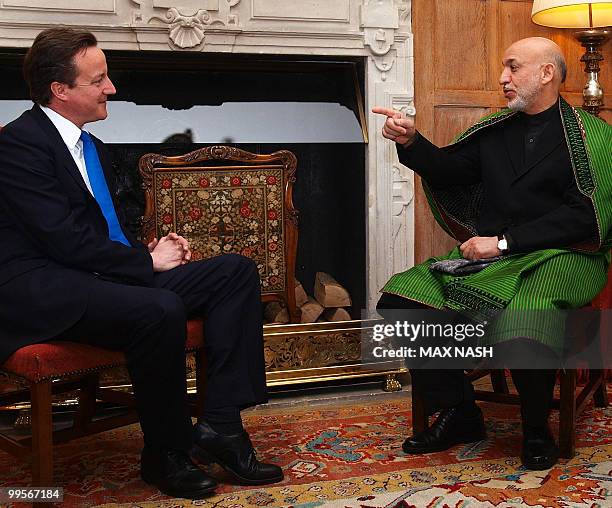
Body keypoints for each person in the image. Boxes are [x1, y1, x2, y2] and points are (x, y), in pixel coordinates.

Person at [0, 27, 283, 499]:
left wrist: (148, 249)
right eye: (99, 80)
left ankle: (221, 426)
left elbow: (100, 228)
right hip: (41, 286)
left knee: (234, 271)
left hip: (99, 276)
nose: (111, 88)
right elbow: (62, 241)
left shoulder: (91, 147)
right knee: (159, 310)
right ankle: (164, 454)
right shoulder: (17, 146)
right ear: (60, 90)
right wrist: (146, 263)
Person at [373, 37, 611, 470]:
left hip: (567, 255)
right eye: (504, 68)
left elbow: (587, 218)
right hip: (497, 258)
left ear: (546, 74)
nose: (502, 77)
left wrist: (502, 243)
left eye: (513, 67)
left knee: (527, 312)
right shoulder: (495, 131)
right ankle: (460, 411)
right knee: (400, 299)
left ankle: (536, 429)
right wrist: (411, 141)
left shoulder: (591, 135)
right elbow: (449, 171)